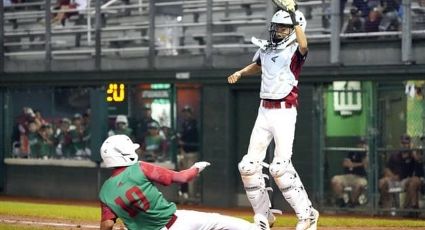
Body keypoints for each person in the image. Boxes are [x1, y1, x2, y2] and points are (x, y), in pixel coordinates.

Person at [227, 3, 319, 230]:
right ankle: (264, 216)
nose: (279, 31)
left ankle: (307, 215)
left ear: (295, 28)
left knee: (279, 167)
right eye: (277, 27)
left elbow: (304, 44)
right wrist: (240, 72)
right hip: (264, 110)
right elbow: (258, 65)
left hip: (284, 112)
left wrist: (292, 16)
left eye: (284, 28)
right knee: (247, 166)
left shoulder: (296, 52)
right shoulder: (268, 48)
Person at [98, 134, 263, 230]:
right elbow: (182, 178)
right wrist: (196, 168)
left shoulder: (105, 191)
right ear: (124, 154)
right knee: (218, 221)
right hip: (174, 224)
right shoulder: (139, 168)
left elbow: (106, 225)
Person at [379, 134, 424, 210]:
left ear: (410, 144)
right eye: (403, 143)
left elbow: (419, 165)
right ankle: (384, 207)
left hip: (405, 180)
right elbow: (386, 168)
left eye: (406, 143)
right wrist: (392, 176)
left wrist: (413, 152)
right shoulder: (394, 155)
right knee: (382, 182)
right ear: (400, 143)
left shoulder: (413, 156)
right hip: (393, 179)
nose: (404, 145)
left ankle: (410, 209)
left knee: (412, 182)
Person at [331, 137, 368, 208]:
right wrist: (360, 164)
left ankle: (353, 203)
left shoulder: (367, 154)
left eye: (363, 144)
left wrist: (354, 163)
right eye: (360, 144)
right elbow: (345, 163)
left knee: (360, 185)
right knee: (335, 180)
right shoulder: (352, 152)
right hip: (347, 176)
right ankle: (342, 200)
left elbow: (366, 164)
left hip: (360, 177)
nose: (361, 145)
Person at [177, 105, 200, 202]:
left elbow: (197, 139)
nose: (186, 114)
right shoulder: (184, 124)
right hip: (184, 152)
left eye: (188, 112)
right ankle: (186, 195)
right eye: (185, 112)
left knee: (191, 176)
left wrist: (185, 143)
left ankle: (192, 197)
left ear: (191, 113)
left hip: (193, 152)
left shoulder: (195, 124)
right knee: (184, 175)